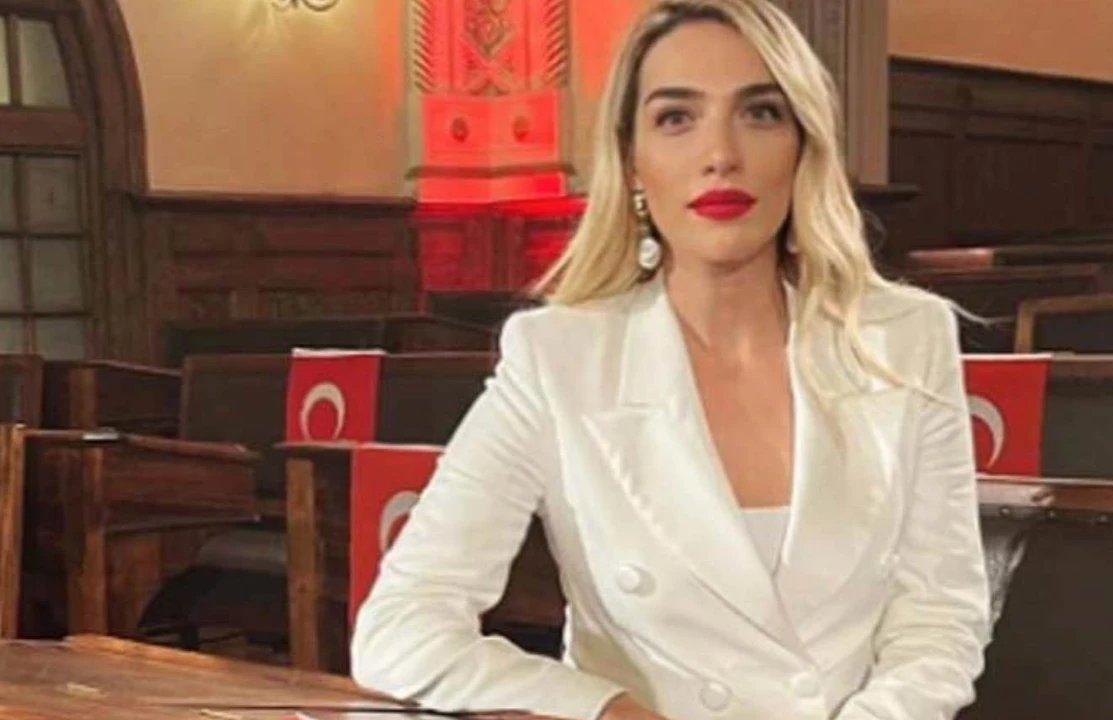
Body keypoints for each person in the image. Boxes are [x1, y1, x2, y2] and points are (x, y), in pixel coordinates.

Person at [350, 1, 990, 719]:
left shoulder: (907, 339)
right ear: (631, 159)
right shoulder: (558, 358)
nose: (721, 154)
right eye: (677, 117)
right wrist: (604, 710)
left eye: (761, 113)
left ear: (803, 146)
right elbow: (400, 629)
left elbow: (939, 622)